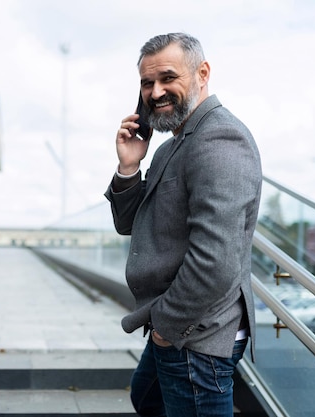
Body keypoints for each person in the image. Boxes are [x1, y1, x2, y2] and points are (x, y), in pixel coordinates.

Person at [104, 33, 262, 417]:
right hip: (178, 323)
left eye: (168, 78)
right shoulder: (168, 146)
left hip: (196, 332)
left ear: (202, 73)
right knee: (146, 397)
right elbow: (131, 224)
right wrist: (129, 167)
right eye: (146, 83)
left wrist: (165, 329)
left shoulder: (220, 139)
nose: (155, 92)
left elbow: (216, 260)